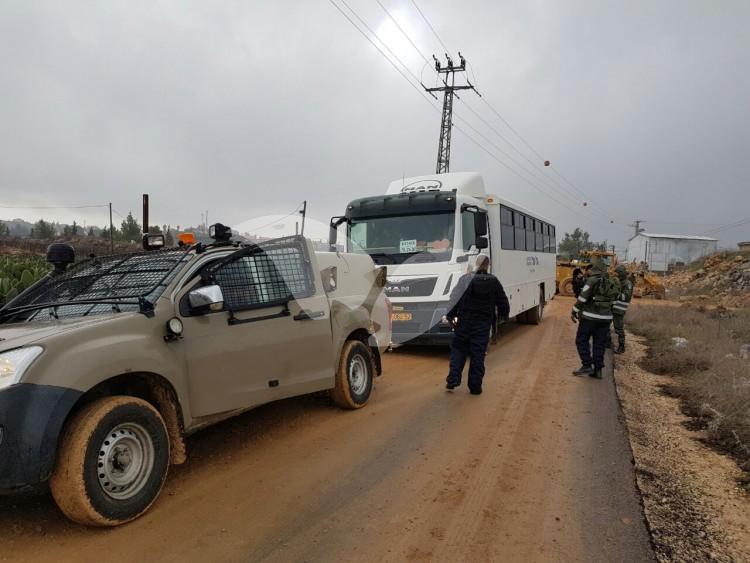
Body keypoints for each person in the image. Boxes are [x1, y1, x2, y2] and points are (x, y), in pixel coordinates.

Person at [445, 256, 510, 394]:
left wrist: (450, 315)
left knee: (458, 351)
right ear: (488, 265)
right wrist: (504, 316)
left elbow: (454, 298)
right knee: (478, 355)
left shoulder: (465, 279)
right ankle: (475, 387)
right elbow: (503, 301)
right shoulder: (494, 281)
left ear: (476, 264)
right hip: (483, 325)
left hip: (463, 323)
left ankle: (453, 379)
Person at [571, 259, 621, 379]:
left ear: (595, 270)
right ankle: (598, 370)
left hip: (589, 317)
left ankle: (587, 365)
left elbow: (582, 298)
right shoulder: (612, 281)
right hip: (606, 319)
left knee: (581, 340)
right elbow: (615, 300)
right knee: (599, 344)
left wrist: (574, 311)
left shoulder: (592, 280)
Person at [612, 265, 633, 354]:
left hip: (619, 308)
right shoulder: (618, 281)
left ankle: (622, 346)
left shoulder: (627, 283)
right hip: (612, 307)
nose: (615, 275)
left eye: (617, 273)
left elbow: (626, 296)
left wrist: (614, 294)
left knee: (618, 328)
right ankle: (606, 342)